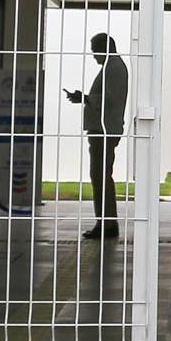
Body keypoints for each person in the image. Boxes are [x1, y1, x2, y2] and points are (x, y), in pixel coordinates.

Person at [66, 33, 132, 239]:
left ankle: (106, 223)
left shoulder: (113, 68)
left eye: (95, 50)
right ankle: (105, 221)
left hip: (104, 130)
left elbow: (110, 99)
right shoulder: (112, 67)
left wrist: (84, 98)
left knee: (100, 176)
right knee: (101, 176)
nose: (94, 55)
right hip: (103, 129)